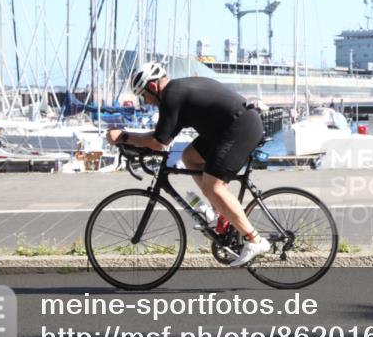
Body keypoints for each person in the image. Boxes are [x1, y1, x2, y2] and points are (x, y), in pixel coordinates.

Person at [105, 62, 270, 267]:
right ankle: (220, 215)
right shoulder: (177, 91)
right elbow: (162, 137)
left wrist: (124, 136)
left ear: (153, 87)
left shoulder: (171, 97)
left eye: (143, 95)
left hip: (239, 128)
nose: (146, 101)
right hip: (226, 128)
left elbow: (158, 143)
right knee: (189, 157)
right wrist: (133, 140)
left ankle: (255, 240)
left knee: (213, 186)